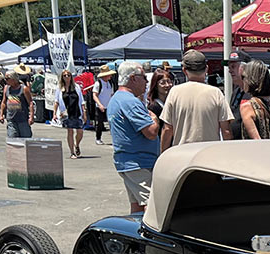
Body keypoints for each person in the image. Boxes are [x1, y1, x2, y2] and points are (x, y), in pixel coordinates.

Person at [106, 61, 159, 213]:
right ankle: (151, 236)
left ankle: (135, 233)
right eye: (143, 77)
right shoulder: (130, 101)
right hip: (139, 163)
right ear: (133, 78)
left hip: (129, 162)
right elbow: (151, 132)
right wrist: (154, 119)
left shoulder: (116, 99)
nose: (147, 81)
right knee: (152, 206)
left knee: (137, 206)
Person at [160, 50, 233, 152]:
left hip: (182, 155)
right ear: (206, 69)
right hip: (208, 155)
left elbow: (167, 129)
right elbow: (226, 130)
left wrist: (163, 154)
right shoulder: (216, 93)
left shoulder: (174, 92)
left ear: (184, 70)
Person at [239, 60, 270, 140]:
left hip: (257, 151)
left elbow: (257, 140)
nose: (243, 80)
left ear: (250, 79)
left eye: (243, 77)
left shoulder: (247, 107)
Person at [54, 69, 86, 158]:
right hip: (66, 113)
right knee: (70, 131)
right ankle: (72, 152)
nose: (67, 77)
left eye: (68, 75)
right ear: (62, 77)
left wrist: (84, 112)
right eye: (65, 75)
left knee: (80, 132)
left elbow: (82, 101)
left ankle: (77, 144)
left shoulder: (76, 87)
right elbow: (56, 101)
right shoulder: (60, 88)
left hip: (77, 111)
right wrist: (54, 113)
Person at [0, 71, 34, 138]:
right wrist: (1, 115)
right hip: (11, 119)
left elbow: (30, 102)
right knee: (12, 139)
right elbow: (3, 102)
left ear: (13, 79)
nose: (5, 80)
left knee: (25, 139)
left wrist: (31, 117)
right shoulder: (6, 88)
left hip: (22, 119)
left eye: (7, 79)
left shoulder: (24, 89)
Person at [227, 48, 251, 139]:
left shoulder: (254, 92)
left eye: (233, 67)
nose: (230, 71)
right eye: (229, 67)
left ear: (244, 68)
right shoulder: (236, 90)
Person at [93, 65, 116, 145]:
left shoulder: (110, 83)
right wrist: (100, 105)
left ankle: (115, 139)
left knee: (112, 123)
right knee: (99, 123)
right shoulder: (98, 83)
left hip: (108, 106)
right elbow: (95, 95)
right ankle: (98, 138)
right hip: (100, 106)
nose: (110, 76)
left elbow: (112, 95)